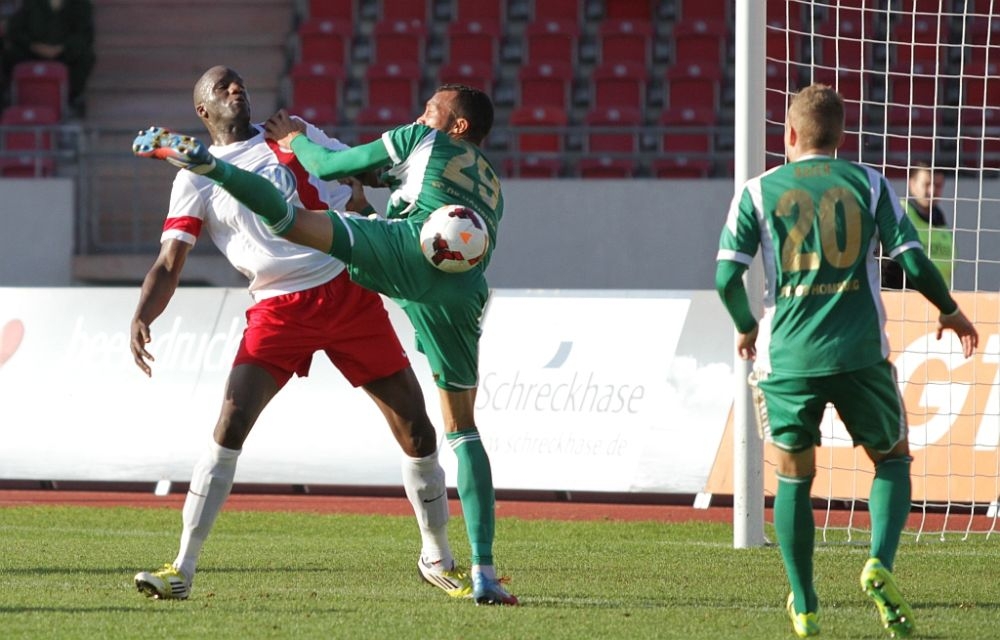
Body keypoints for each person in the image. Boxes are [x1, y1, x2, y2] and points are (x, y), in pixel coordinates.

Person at [130, 83, 519, 606]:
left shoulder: (294, 131)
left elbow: (352, 171)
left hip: (346, 287)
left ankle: (437, 559)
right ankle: (182, 567)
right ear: (203, 108)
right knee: (231, 422)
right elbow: (169, 261)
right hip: (279, 306)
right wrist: (143, 313)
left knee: (417, 429)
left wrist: (355, 191)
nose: (236, 89)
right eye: (222, 86)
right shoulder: (189, 182)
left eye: (238, 82)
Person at [715, 83, 978, 638]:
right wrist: (951, 310)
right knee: (892, 461)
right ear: (841, 136)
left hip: (788, 359)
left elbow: (726, 277)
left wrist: (746, 325)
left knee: (793, 478)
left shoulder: (757, 191)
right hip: (861, 354)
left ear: (789, 133)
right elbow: (913, 261)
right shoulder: (870, 182)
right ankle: (878, 562)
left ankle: (806, 604)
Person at [1, 0, 96, 116]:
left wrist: (62, 48)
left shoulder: (81, 4)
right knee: (10, 54)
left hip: (65, 53)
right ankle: (12, 95)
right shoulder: (31, 3)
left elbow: (85, 35)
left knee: (86, 56)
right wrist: (33, 46)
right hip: (33, 52)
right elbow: (15, 30)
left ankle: (72, 98)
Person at [881, 163, 955, 289]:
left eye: (938, 185)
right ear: (912, 184)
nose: (932, 191)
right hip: (907, 297)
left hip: (940, 297)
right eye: (927, 184)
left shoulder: (941, 222)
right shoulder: (898, 214)